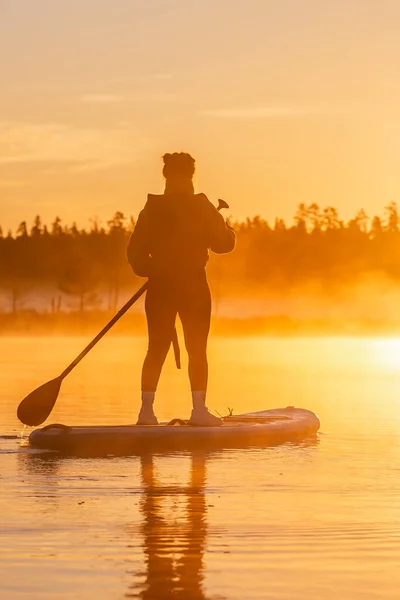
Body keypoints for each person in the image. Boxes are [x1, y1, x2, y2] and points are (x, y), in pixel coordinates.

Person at [127, 152, 235, 425]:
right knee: (197, 349)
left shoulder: (152, 208)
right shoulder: (201, 206)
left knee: (156, 348)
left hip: (161, 287)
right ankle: (199, 411)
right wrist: (230, 231)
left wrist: (154, 270)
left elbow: (135, 253)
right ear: (191, 176)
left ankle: (146, 412)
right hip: (194, 286)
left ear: (166, 176)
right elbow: (223, 245)